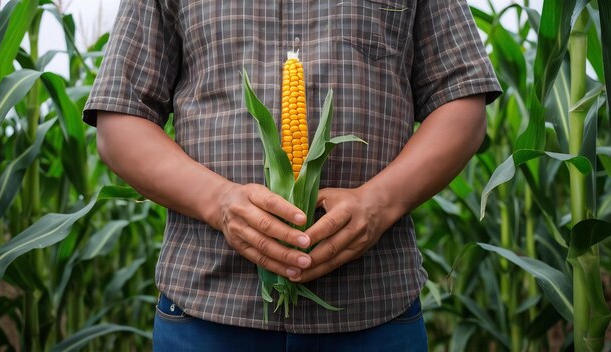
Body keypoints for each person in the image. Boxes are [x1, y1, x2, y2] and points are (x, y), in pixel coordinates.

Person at [83, 0, 501, 350]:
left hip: (374, 309)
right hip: (205, 310)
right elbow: (121, 119)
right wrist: (218, 202)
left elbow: (461, 101)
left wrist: (380, 202)